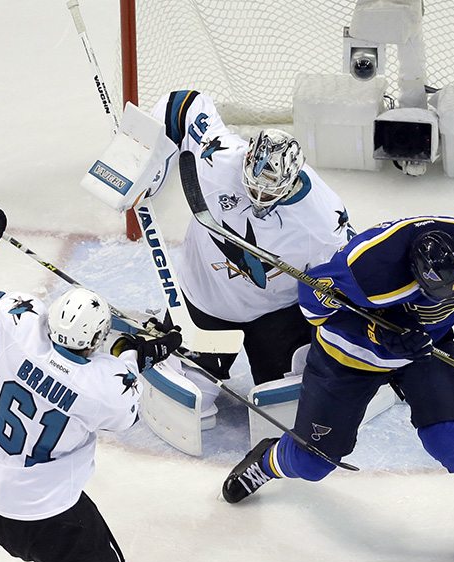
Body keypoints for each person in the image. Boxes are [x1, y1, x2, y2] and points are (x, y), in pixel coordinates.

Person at [221, 215, 454, 562]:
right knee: (313, 463)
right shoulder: (367, 268)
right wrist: (375, 332)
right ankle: (269, 459)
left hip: (424, 350)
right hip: (348, 355)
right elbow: (311, 303)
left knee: (449, 437)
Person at [0, 200, 182, 562]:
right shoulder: (103, 389)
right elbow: (125, 405)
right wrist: (135, 351)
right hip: (56, 521)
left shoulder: (16, 327)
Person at [147, 89, 354, 421]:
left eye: (267, 192)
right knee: (193, 400)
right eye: (252, 187)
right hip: (203, 300)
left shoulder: (324, 220)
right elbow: (183, 104)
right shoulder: (220, 158)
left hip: (276, 315)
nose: (257, 198)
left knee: (292, 406)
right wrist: (143, 157)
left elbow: (345, 285)